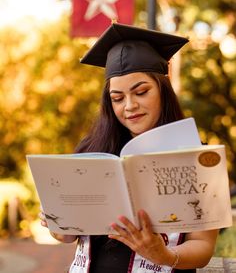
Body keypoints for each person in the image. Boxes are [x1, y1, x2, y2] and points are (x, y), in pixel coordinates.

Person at [40, 23, 218, 273]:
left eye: (141, 92)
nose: (130, 106)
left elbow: (203, 246)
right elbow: (69, 236)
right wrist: (58, 223)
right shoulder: (91, 151)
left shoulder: (198, 158)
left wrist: (163, 254)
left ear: (162, 91)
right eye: (117, 98)